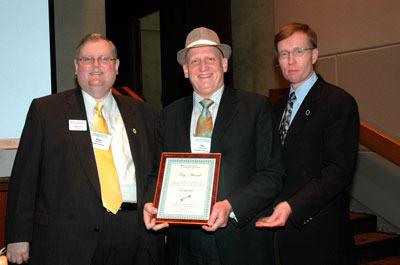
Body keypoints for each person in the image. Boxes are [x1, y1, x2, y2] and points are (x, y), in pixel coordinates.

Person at [5, 33, 164, 265]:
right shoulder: (47, 111)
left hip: (135, 233)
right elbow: (25, 176)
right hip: (69, 239)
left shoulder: (143, 113)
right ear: (76, 66)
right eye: (87, 59)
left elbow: (154, 171)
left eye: (104, 59)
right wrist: (18, 236)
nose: (96, 66)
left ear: (116, 66)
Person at [143, 27, 284, 265]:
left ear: (224, 64)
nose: (203, 67)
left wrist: (231, 206)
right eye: (195, 61)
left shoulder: (256, 108)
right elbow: (158, 172)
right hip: (183, 247)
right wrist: (150, 203)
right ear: (186, 70)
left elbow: (272, 175)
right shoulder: (169, 115)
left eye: (210, 59)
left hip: (239, 243)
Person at [256, 22, 359, 265]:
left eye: (298, 51)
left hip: (320, 236)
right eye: (283, 53)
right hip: (282, 236)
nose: (290, 60)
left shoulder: (338, 102)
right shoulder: (276, 108)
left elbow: (338, 171)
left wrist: (293, 206)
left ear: (314, 55)